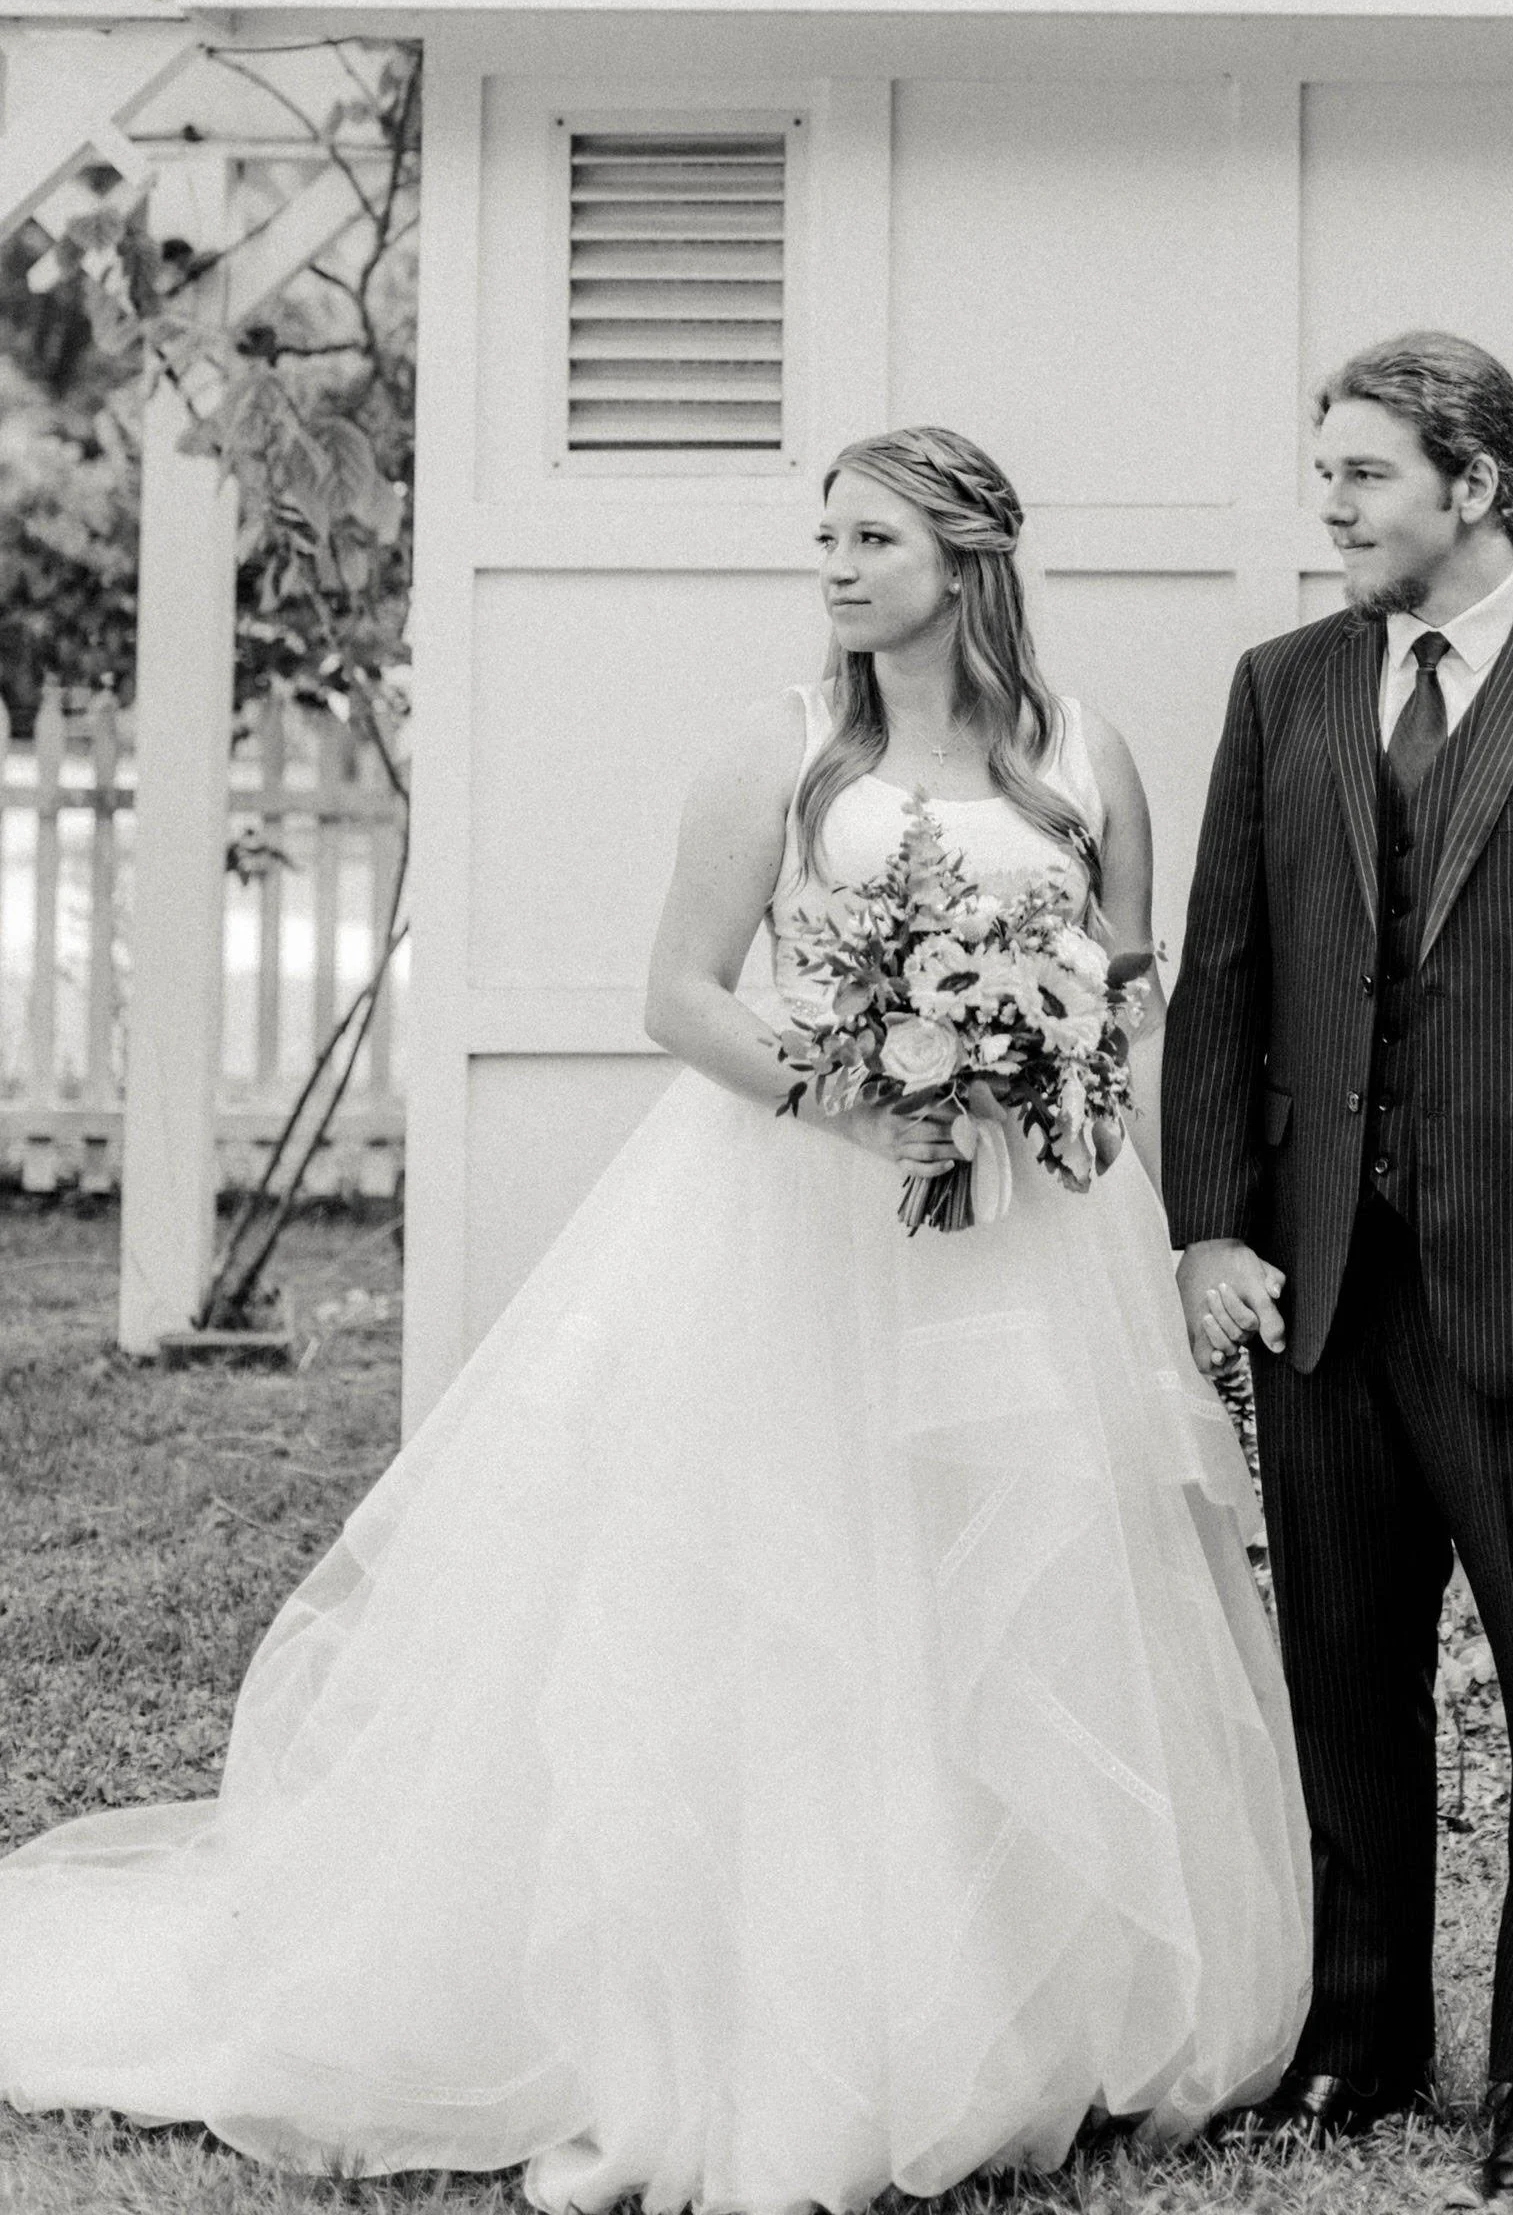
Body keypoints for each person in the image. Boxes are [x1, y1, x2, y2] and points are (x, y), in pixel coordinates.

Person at [0, 425, 1309, 2213]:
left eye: (873, 538)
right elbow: (680, 996)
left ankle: (1023, 2008)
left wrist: (1044, 1066)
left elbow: (1126, 985)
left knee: (1017, 1583)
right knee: (817, 1588)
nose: (836, 567)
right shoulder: (783, 749)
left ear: (969, 555)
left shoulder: (1089, 757)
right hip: (805, 1220)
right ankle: (803, 2018)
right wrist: (855, 1100)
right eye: (826, 537)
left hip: (1034, 1232)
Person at [1163, 332, 1513, 2205]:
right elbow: (1223, 978)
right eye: (1323, 470)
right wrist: (1211, 1225)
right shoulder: (1286, 690)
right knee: (1343, 1673)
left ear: (1474, 485)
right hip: (1320, 1281)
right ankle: (1360, 2036)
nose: (1328, 506)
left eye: (1364, 475)